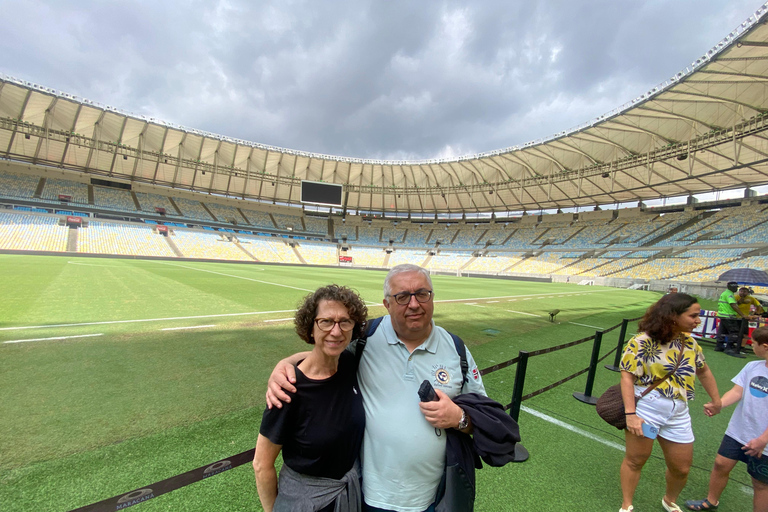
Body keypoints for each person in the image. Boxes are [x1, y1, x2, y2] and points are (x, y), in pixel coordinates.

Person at [266, 264, 488, 512]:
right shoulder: (364, 339)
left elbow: (485, 421)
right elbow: (326, 351)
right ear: (387, 304)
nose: (413, 304)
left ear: (432, 297)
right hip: (368, 496)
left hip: (434, 498)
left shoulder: (456, 349)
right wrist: (285, 365)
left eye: (422, 293)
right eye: (402, 297)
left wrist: (459, 418)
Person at [253, 284, 368, 512]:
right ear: (311, 327)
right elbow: (261, 464)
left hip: (348, 494)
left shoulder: (349, 363)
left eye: (344, 321)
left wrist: (287, 360)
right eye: (325, 321)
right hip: (305, 503)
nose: (336, 331)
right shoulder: (288, 388)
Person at [618, 293, 723, 512]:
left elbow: (704, 371)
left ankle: (669, 499)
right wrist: (631, 414)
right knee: (636, 460)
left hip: (678, 412)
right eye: (693, 315)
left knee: (681, 468)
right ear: (672, 316)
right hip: (648, 409)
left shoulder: (690, 343)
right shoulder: (642, 342)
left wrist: (716, 400)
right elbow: (627, 376)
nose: (698, 320)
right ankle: (627, 504)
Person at [684, 326, 768, 512]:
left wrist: (762, 440)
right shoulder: (752, 366)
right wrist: (718, 405)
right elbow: (738, 391)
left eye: (753, 343)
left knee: (760, 483)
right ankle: (711, 501)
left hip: (764, 441)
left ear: (765, 346)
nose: (750, 346)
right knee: (721, 464)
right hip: (738, 431)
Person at [716, 281, 751, 358]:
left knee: (723, 331)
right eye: (735, 287)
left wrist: (740, 300)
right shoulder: (730, 295)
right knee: (735, 332)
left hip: (723, 315)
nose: (736, 289)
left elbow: (733, 304)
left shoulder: (725, 293)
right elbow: (733, 305)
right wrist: (743, 315)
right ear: (730, 287)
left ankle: (719, 345)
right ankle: (729, 348)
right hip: (729, 315)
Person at [736, 287, 764, 354]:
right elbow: (737, 303)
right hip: (735, 317)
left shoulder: (751, 298)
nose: (743, 293)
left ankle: (742, 347)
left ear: (748, 292)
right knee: (735, 332)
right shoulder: (735, 297)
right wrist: (742, 298)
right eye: (741, 291)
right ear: (739, 291)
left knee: (745, 333)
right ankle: (733, 345)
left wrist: (757, 313)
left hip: (745, 318)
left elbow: (758, 305)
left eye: (745, 291)